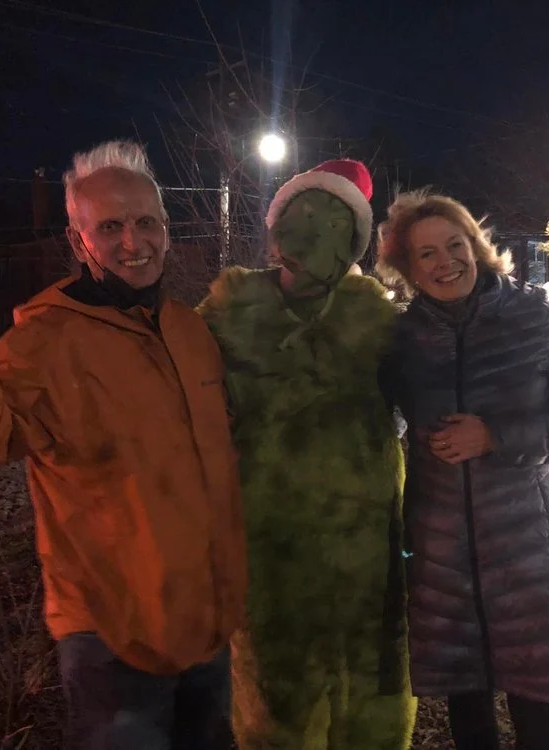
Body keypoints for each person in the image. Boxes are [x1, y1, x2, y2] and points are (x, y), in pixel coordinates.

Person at [0, 140, 246, 749]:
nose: (132, 241)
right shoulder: (44, 339)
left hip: (204, 623)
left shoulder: (189, 330)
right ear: (77, 237)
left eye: (145, 222)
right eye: (110, 226)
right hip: (111, 639)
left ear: (166, 227)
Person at [376, 190, 549, 750]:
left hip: (530, 553)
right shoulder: (401, 340)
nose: (444, 262)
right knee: (470, 717)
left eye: (454, 245)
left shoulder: (532, 319)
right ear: (407, 267)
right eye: (425, 254)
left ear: (476, 247)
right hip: (443, 561)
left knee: (538, 718)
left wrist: (496, 438)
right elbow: (370, 417)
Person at [197, 159, 415, 749]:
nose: (312, 240)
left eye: (334, 225)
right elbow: (170, 388)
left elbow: (440, 384)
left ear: (354, 240)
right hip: (270, 546)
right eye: (303, 221)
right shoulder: (229, 316)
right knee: (277, 702)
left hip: (366, 550)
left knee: (370, 699)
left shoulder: (376, 322)